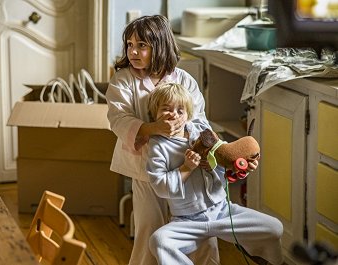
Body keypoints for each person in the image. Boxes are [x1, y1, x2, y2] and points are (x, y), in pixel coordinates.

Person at [106, 15, 232, 265]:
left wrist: (208, 153)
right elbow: (118, 119)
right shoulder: (123, 81)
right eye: (129, 45)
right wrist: (153, 128)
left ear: (160, 45)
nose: (133, 51)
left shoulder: (184, 80)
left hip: (189, 168)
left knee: (199, 228)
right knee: (150, 228)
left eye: (141, 45)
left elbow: (200, 121)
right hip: (146, 169)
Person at [146, 83, 284, 265]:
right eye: (166, 109)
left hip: (222, 211)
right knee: (159, 241)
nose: (174, 115)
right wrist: (186, 168)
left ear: (188, 115)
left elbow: (226, 162)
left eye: (180, 110)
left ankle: (265, 258)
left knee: (274, 227)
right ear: (154, 114)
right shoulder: (158, 146)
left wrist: (237, 168)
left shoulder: (203, 134)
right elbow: (160, 187)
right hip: (187, 220)